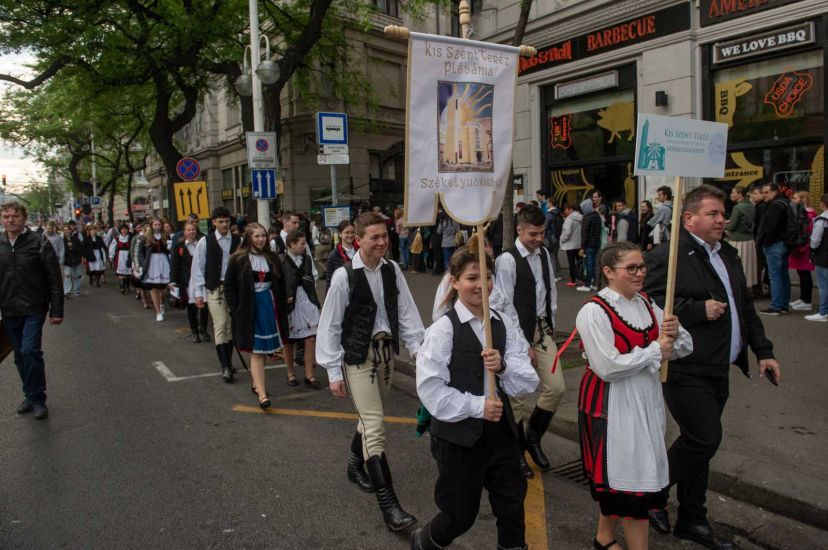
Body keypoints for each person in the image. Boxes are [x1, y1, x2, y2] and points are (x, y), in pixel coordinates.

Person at [643, 185, 781, 550]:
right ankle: (649, 495)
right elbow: (649, 304)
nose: (723, 219)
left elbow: (744, 307)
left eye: (723, 213)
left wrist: (763, 351)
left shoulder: (728, 254)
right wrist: (695, 310)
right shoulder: (667, 256)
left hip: (719, 366)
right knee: (705, 438)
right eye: (714, 214)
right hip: (685, 368)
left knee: (699, 445)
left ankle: (692, 518)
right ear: (689, 218)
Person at [414, 246, 539, 550]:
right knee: (459, 516)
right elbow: (431, 390)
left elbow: (528, 381)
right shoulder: (442, 330)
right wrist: (478, 406)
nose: (482, 284)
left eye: (487, 276)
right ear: (454, 282)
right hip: (459, 438)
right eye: (472, 277)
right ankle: (423, 542)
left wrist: (504, 366)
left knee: (512, 508)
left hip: (500, 435)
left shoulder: (503, 323)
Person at [577, 241, 693, 550]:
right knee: (631, 485)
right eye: (631, 268)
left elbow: (682, 348)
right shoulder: (593, 311)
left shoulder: (646, 303)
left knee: (632, 474)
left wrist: (674, 330)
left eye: (642, 266)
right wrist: (655, 350)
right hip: (612, 403)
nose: (640, 273)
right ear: (608, 272)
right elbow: (607, 366)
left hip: (646, 399)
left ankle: (604, 537)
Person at [316, 211, 425, 531]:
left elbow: (406, 311)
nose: (381, 242)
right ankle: (390, 507)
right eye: (374, 237)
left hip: (386, 355)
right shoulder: (344, 276)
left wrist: (418, 350)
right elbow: (330, 325)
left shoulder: (392, 270)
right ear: (357, 240)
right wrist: (334, 371)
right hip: (358, 358)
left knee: (370, 418)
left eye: (384, 236)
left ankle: (354, 465)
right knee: (375, 425)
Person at [490, 204, 563, 479]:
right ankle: (516, 452)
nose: (538, 239)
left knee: (556, 388)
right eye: (533, 234)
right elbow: (503, 304)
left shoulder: (544, 253)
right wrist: (522, 343)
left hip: (543, 329)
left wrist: (551, 325)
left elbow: (550, 291)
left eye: (542, 233)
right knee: (518, 397)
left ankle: (533, 436)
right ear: (519, 230)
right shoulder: (506, 260)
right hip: (518, 333)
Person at [0, 202, 63, 420]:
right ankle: (29, 393)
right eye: (6, 216)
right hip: (8, 310)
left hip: (34, 307)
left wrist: (57, 310)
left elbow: (54, 279)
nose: (10, 220)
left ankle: (38, 399)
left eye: (14, 216)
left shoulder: (39, 242)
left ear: (24, 218)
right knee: (19, 355)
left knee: (30, 351)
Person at [224, 223, 288, 409]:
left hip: (269, 305)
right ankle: (261, 393)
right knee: (257, 351)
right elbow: (229, 287)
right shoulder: (238, 259)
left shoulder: (272, 257)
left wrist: (283, 304)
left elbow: (280, 284)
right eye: (257, 236)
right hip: (249, 307)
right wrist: (235, 309)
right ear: (249, 238)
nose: (261, 239)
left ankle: (256, 382)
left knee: (264, 348)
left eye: (263, 236)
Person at [190, 207, 241, 382]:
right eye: (220, 221)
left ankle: (229, 361)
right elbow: (198, 268)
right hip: (214, 288)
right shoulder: (205, 242)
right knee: (220, 324)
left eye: (227, 221)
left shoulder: (238, 240)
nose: (224, 224)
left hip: (233, 288)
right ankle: (225, 366)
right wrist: (198, 293)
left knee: (230, 327)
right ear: (214, 223)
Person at [281, 230, 322, 389]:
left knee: (311, 337)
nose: (304, 246)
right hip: (291, 302)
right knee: (289, 340)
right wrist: (285, 296)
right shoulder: (282, 261)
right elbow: (279, 282)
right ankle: (290, 373)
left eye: (305, 243)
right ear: (291, 244)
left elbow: (312, 277)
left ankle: (309, 374)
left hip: (306, 299)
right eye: (301, 243)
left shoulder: (307, 259)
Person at [171, 221, 209, 343]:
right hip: (186, 281)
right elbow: (175, 264)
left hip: (202, 280)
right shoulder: (179, 245)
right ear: (185, 232)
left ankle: (203, 329)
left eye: (193, 229)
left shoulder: (202, 244)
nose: (191, 232)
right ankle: (194, 331)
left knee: (205, 307)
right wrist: (173, 280)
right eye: (189, 230)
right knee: (191, 307)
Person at [756, 183, 792, 315]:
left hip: (775, 244)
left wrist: (765, 243)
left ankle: (776, 306)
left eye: (767, 192)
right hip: (784, 243)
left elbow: (771, 226)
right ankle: (783, 305)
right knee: (783, 275)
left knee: (775, 276)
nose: (764, 195)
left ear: (775, 192)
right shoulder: (785, 203)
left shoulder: (775, 206)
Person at [137, 218, 171, 322]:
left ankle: (161, 303)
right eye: (155, 225)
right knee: (154, 288)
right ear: (151, 226)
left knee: (165, 288)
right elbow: (140, 252)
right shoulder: (146, 238)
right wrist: (142, 264)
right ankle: (158, 312)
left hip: (164, 262)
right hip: (152, 263)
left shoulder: (165, 236)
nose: (157, 226)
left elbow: (169, 250)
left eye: (159, 225)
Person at [788, 190, 816, 311]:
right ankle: (803, 298)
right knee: (801, 273)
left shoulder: (808, 214)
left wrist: (799, 244)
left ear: (802, 199)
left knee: (805, 274)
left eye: (795, 198)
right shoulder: (800, 212)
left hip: (803, 247)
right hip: (800, 246)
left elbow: (806, 231)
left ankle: (807, 300)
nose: (792, 200)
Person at [725, 186, 757, 291]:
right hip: (749, 240)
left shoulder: (738, 207)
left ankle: (739, 289)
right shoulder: (751, 205)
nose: (731, 194)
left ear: (739, 194)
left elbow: (732, 226)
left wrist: (721, 225)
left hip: (738, 241)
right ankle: (748, 288)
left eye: (733, 192)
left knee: (739, 267)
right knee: (748, 268)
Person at [805, 193, 828, 322]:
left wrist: (812, 250)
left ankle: (824, 312)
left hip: (823, 255)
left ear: (822, 204)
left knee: (823, 284)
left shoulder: (822, 220)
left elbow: (815, 240)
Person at [325, 219, 358, 291]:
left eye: (353, 232)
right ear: (340, 234)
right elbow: (329, 280)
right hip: (342, 292)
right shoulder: (334, 255)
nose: (350, 235)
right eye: (347, 232)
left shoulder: (360, 251)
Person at [578, 201, 602, 292]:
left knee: (588, 264)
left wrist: (582, 247)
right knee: (595, 264)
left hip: (588, 245)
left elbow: (584, 234)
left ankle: (588, 285)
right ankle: (595, 284)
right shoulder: (597, 216)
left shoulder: (587, 217)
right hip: (596, 244)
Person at [560, 204, 583, 287]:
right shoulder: (582, 218)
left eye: (566, 209)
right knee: (581, 262)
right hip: (579, 244)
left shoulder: (569, 219)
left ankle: (573, 280)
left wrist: (562, 240)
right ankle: (583, 278)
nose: (565, 211)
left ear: (571, 209)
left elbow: (567, 232)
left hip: (570, 245)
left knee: (571, 263)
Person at [109, 224, 133, 295]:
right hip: (120, 257)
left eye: (125, 229)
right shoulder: (116, 238)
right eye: (122, 229)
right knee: (121, 273)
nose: (124, 230)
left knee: (128, 273)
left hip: (128, 256)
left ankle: (127, 286)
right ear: (120, 230)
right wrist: (111, 256)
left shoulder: (130, 238)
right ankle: (122, 287)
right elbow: (112, 248)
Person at [62, 223, 84, 297]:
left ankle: (77, 290)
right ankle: (67, 291)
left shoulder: (76, 239)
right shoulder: (62, 240)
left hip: (76, 260)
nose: (66, 231)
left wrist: (73, 247)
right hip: (67, 261)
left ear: (70, 231)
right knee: (67, 275)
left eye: (67, 229)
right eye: (65, 230)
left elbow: (81, 249)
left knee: (77, 275)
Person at [544, 197, 564, 279]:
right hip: (557, 237)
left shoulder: (549, 214)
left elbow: (545, 227)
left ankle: (554, 275)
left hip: (550, 238)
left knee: (552, 256)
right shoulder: (559, 213)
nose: (546, 205)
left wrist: (543, 237)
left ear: (550, 203)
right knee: (555, 256)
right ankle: (558, 274)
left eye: (547, 203)